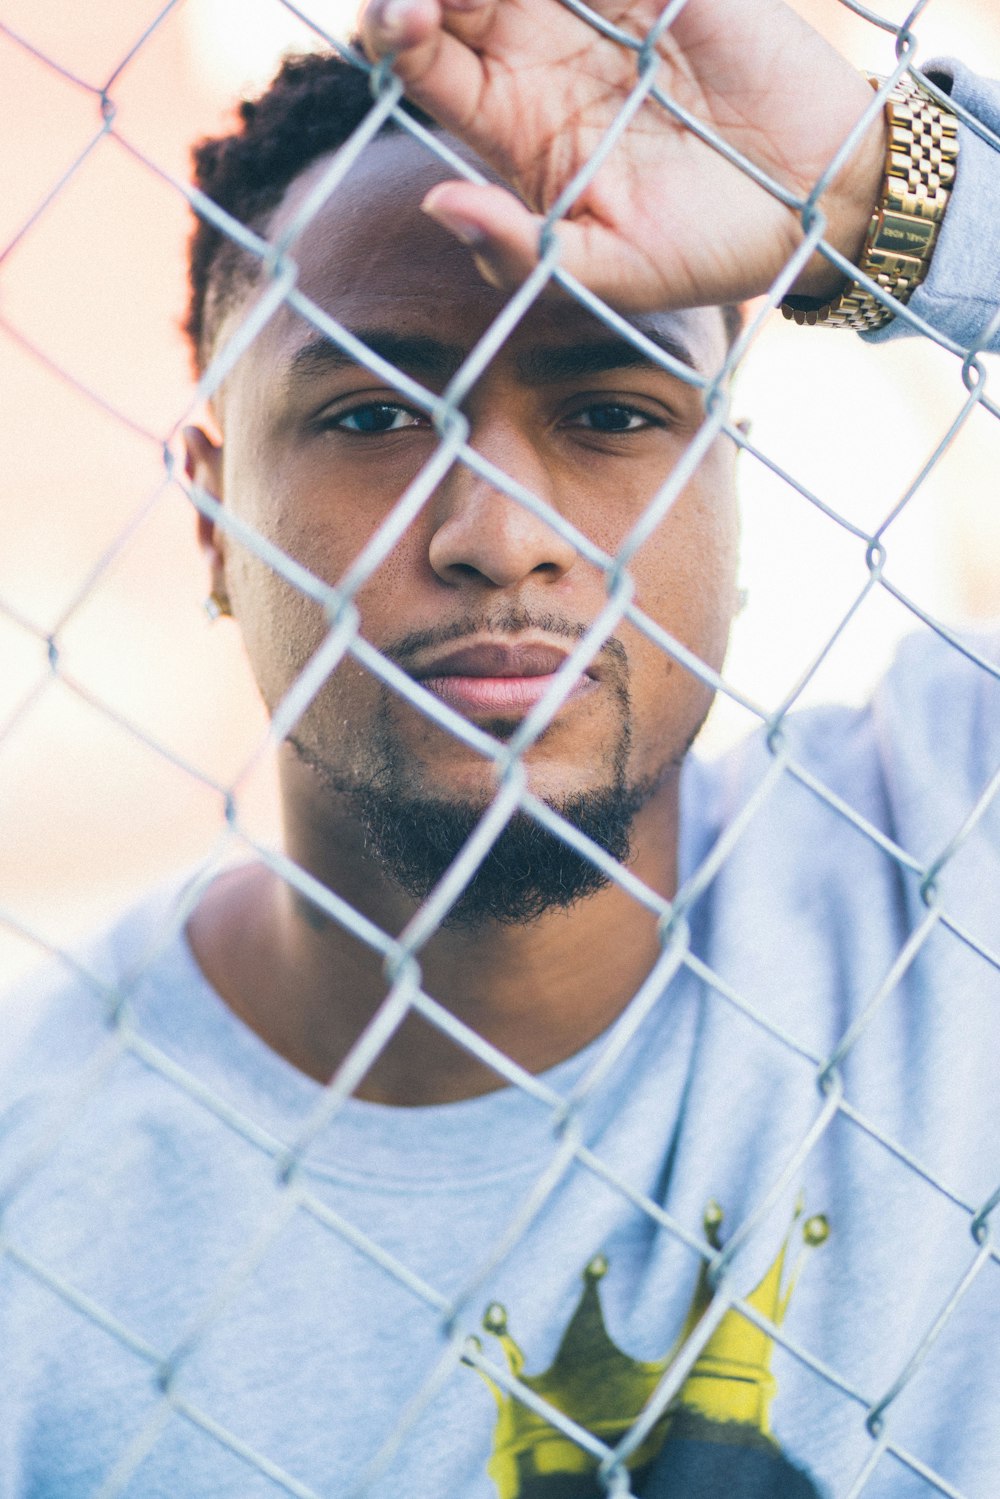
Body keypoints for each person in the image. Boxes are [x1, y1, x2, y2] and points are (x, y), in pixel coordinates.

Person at [1, 1, 999, 1495]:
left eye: (610, 410)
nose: (501, 538)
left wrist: (869, 188)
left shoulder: (945, 858)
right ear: (214, 519)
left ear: (732, 498)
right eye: (374, 412)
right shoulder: (40, 1209)